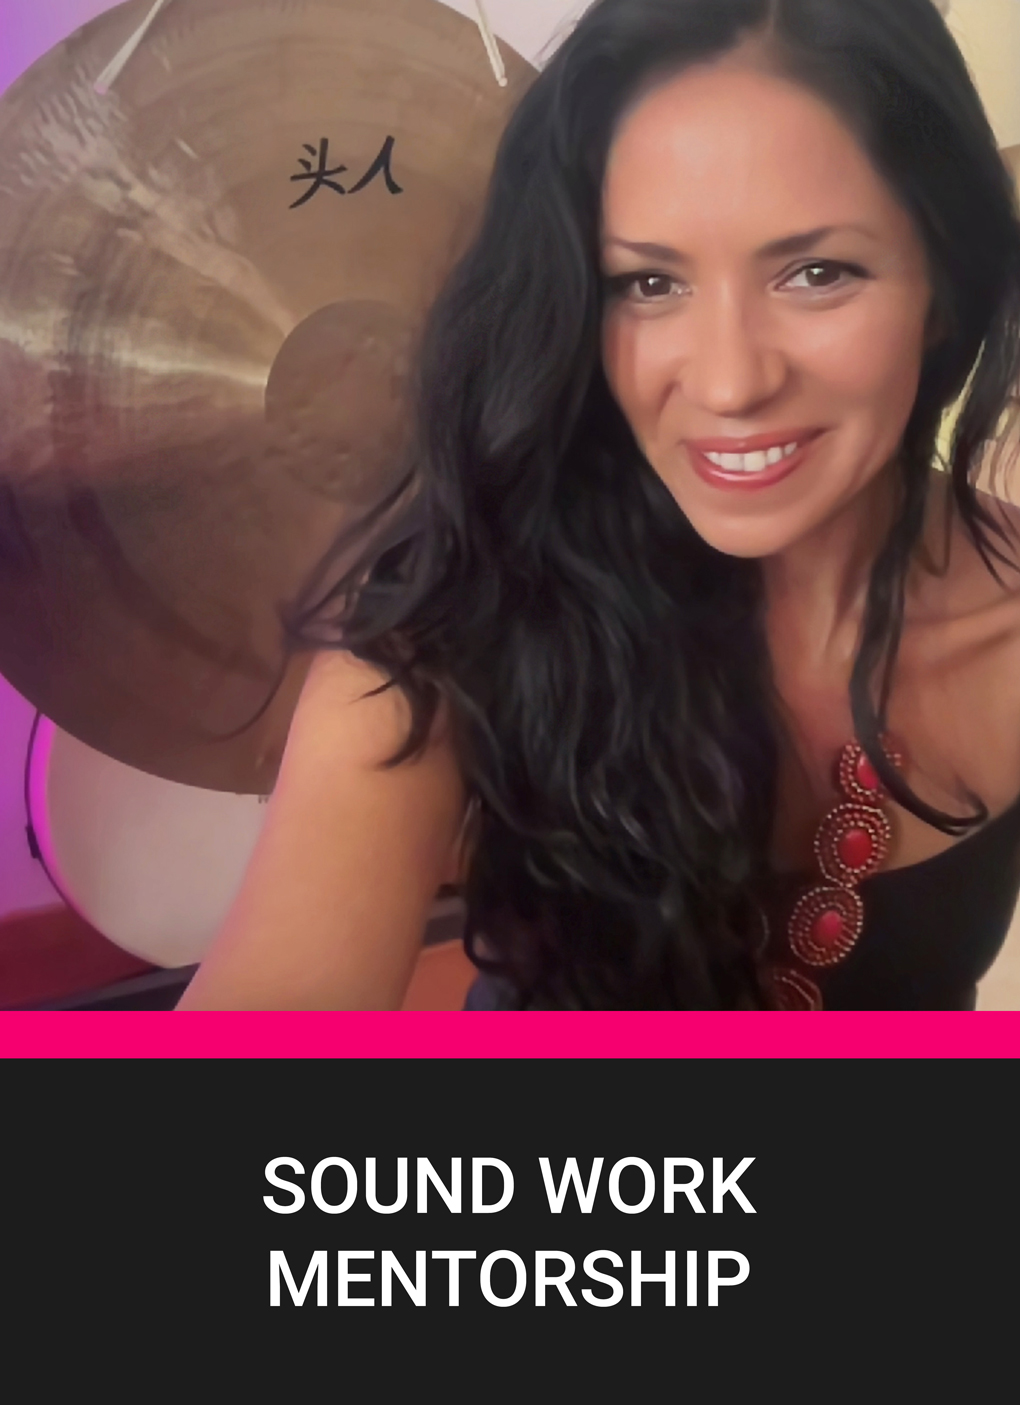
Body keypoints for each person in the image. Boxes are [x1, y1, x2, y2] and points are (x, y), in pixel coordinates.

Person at [178, 0, 1020, 1012]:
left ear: (941, 283)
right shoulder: (460, 621)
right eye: (648, 282)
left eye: (816, 271)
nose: (727, 382)